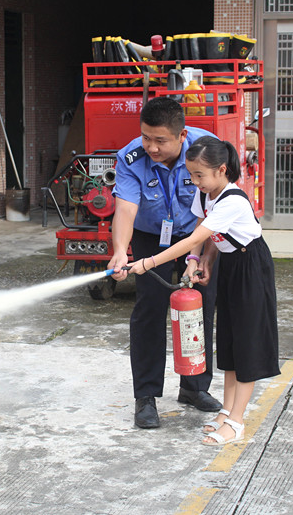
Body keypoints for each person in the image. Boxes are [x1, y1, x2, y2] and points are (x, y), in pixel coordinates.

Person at [126, 135, 280, 445]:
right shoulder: (206, 195)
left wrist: (147, 263)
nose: (195, 182)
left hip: (251, 268)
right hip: (230, 266)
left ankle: (237, 422)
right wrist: (198, 260)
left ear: (222, 170)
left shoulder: (233, 199)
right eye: (191, 175)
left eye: (200, 175)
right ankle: (227, 411)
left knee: (247, 346)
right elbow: (202, 237)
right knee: (230, 343)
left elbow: (191, 236)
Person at [108, 97, 222, 429]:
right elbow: (126, 208)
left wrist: (197, 257)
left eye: (160, 140)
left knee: (201, 308)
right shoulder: (132, 157)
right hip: (150, 237)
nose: (151, 147)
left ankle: (195, 388)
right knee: (149, 311)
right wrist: (120, 251)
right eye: (146, 137)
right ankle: (145, 396)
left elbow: (215, 210)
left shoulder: (206, 151)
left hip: (197, 236)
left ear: (182, 135)